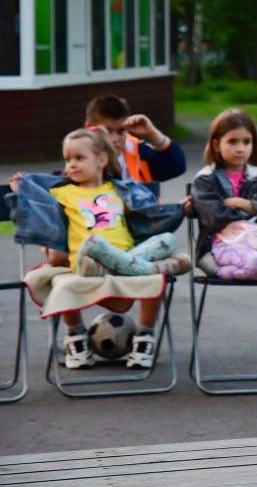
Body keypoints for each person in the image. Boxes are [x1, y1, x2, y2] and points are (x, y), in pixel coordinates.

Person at [7, 128, 189, 369]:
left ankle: (145, 337)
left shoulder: (121, 190)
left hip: (125, 259)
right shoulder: (61, 191)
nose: (71, 165)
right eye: (67, 159)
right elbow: (36, 212)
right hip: (87, 263)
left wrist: (179, 209)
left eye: (79, 158)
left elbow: (150, 218)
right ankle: (76, 337)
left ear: (102, 159)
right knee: (94, 244)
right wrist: (24, 193)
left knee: (167, 239)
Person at [190, 109, 257, 281]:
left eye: (247, 142)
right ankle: (219, 270)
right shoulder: (206, 180)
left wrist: (250, 205)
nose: (240, 149)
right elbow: (214, 217)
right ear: (217, 144)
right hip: (221, 245)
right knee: (256, 264)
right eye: (232, 142)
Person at [84, 95, 187, 187]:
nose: (114, 139)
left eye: (121, 131)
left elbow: (176, 167)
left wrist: (153, 134)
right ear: (89, 127)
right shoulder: (78, 158)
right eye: (107, 131)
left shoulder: (138, 151)